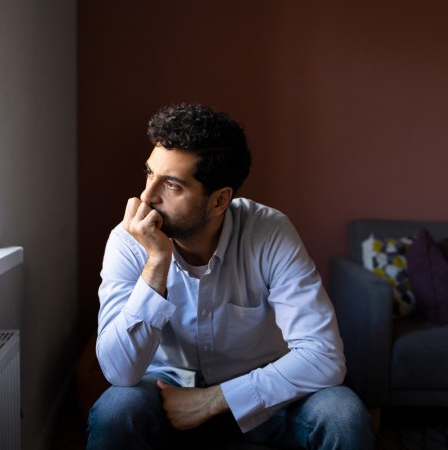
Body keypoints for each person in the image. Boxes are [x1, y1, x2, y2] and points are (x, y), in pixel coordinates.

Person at [86, 103, 374, 449]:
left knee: (343, 414)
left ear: (220, 200)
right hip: (165, 394)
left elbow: (324, 356)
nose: (147, 197)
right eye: (150, 174)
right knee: (115, 412)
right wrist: (157, 263)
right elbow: (119, 372)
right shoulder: (128, 240)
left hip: (264, 396)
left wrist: (214, 399)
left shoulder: (269, 232)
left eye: (172, 185)